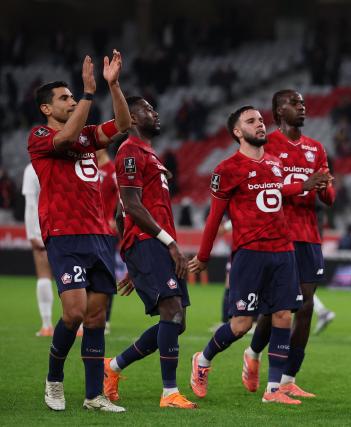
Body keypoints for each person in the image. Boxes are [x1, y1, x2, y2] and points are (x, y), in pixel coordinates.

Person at [188, 105, 332, 405]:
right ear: (237, 132)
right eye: (251, 121)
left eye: (261, 120)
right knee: (242, 325)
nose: (260, 125)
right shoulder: (226, 169)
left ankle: (273, 390)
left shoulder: (275, 162)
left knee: (282, 316)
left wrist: (304, 185)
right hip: (250, 254)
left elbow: (276, 191)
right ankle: (203, 359)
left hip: (283, 251)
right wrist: (203, 256)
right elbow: (214, 218)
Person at [28, 51, 130, 412]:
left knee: (97, 316)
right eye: (64, 97)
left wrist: (112, 85)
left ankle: (93, 395)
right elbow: (66, 137)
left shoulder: (87, 137)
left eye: (73, 96)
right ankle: (54, 380)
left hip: (98, 236)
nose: (71, 101)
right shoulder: (40, 136)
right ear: (46, 108)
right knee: (73, 312)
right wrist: (88, 94)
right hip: (64, 233)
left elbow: (123, 125)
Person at [241, 90, 336, 398]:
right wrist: (303, 185)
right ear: (278, 111)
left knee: (305, 307)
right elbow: (266, 189)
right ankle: (254, 353)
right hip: (278, 234)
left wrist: (325, 185)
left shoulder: (315, 148)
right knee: (277, 307)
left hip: (309, 235)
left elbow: (329, 198)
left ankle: (288, 379)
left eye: (303, 103)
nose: (302, 107)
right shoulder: (267, 145)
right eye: (295, 104)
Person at [103, 96, 196, 409]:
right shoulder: (129, 151)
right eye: (148, 109)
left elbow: (120, 215)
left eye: (155, 108)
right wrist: (150, 247)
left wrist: (134, 257)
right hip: (153, 243)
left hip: (151, 245)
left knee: (178, 321)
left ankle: (112, 366)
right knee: (172, 312)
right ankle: (169, 393)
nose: (155, 113)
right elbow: (130, 205)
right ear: (130, 116)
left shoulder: (150, 156)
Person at [22, 162, 54, 337]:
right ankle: (79, 327)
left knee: (43, 274)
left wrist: (31, 233)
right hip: (65, 228)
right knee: (73, 275)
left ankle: (47, 325)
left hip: (41, 228)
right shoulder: (62, 161)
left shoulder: (31, 169)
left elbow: (31, 204)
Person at [97, 148, 119, 334]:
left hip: (107, 231)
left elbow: (124, 197)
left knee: (106, 273)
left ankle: (106, 319)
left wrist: (116, 218)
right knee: (89, 274)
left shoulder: (112, 171)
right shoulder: (89, 169)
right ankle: (92, 315)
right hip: (91, 229)